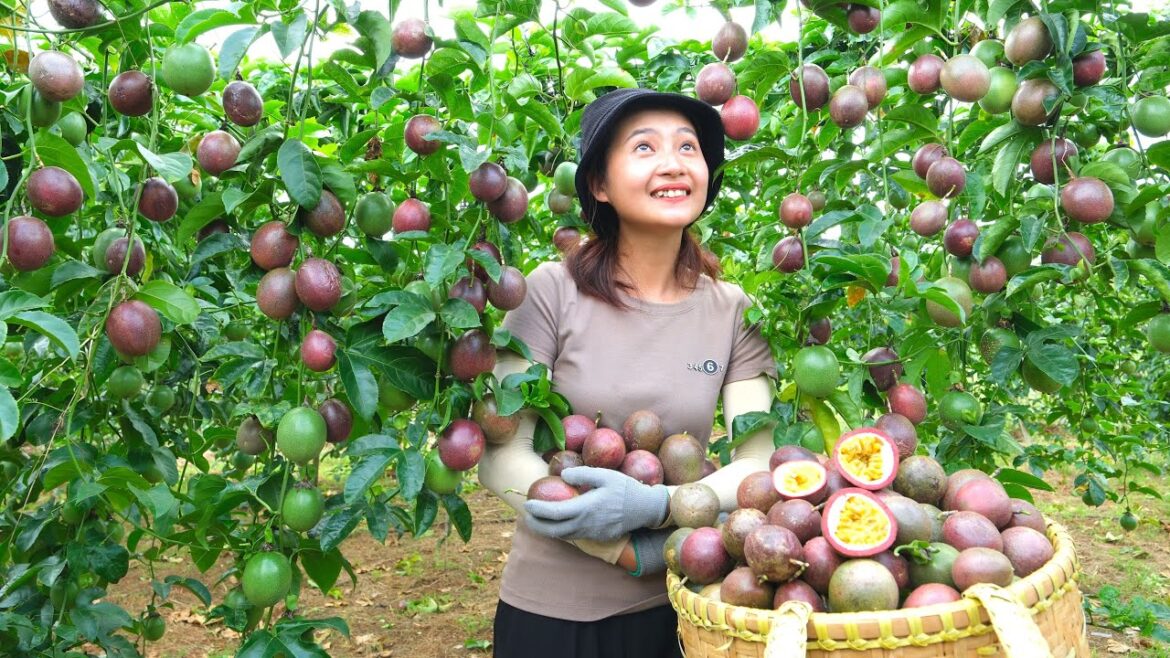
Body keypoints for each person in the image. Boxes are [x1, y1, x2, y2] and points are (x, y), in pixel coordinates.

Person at [478, 87, 778, 658]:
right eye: (645, 147)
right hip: (555, 616)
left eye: (689, 148)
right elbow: (499, 455)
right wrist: (617, 549)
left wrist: (659, 506)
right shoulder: (550, 291)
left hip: (687, 608)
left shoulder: (734, 309)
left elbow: (758, 463)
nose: (673, 163)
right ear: (598, 184)